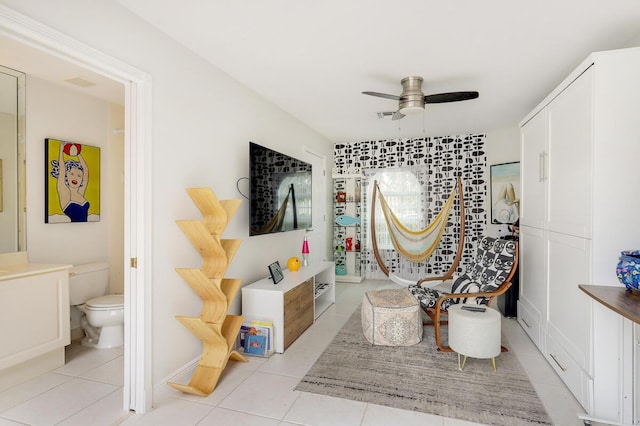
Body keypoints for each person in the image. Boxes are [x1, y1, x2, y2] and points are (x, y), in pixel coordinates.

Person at [50, 142, 90, 222]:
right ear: (66, 176)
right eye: (71, 174)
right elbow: (62, 168)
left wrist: (77, 153)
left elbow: (85, 169)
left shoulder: (80, 191)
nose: (75, 177)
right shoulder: (64, 191)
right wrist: (61, 150)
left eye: (79, 176)